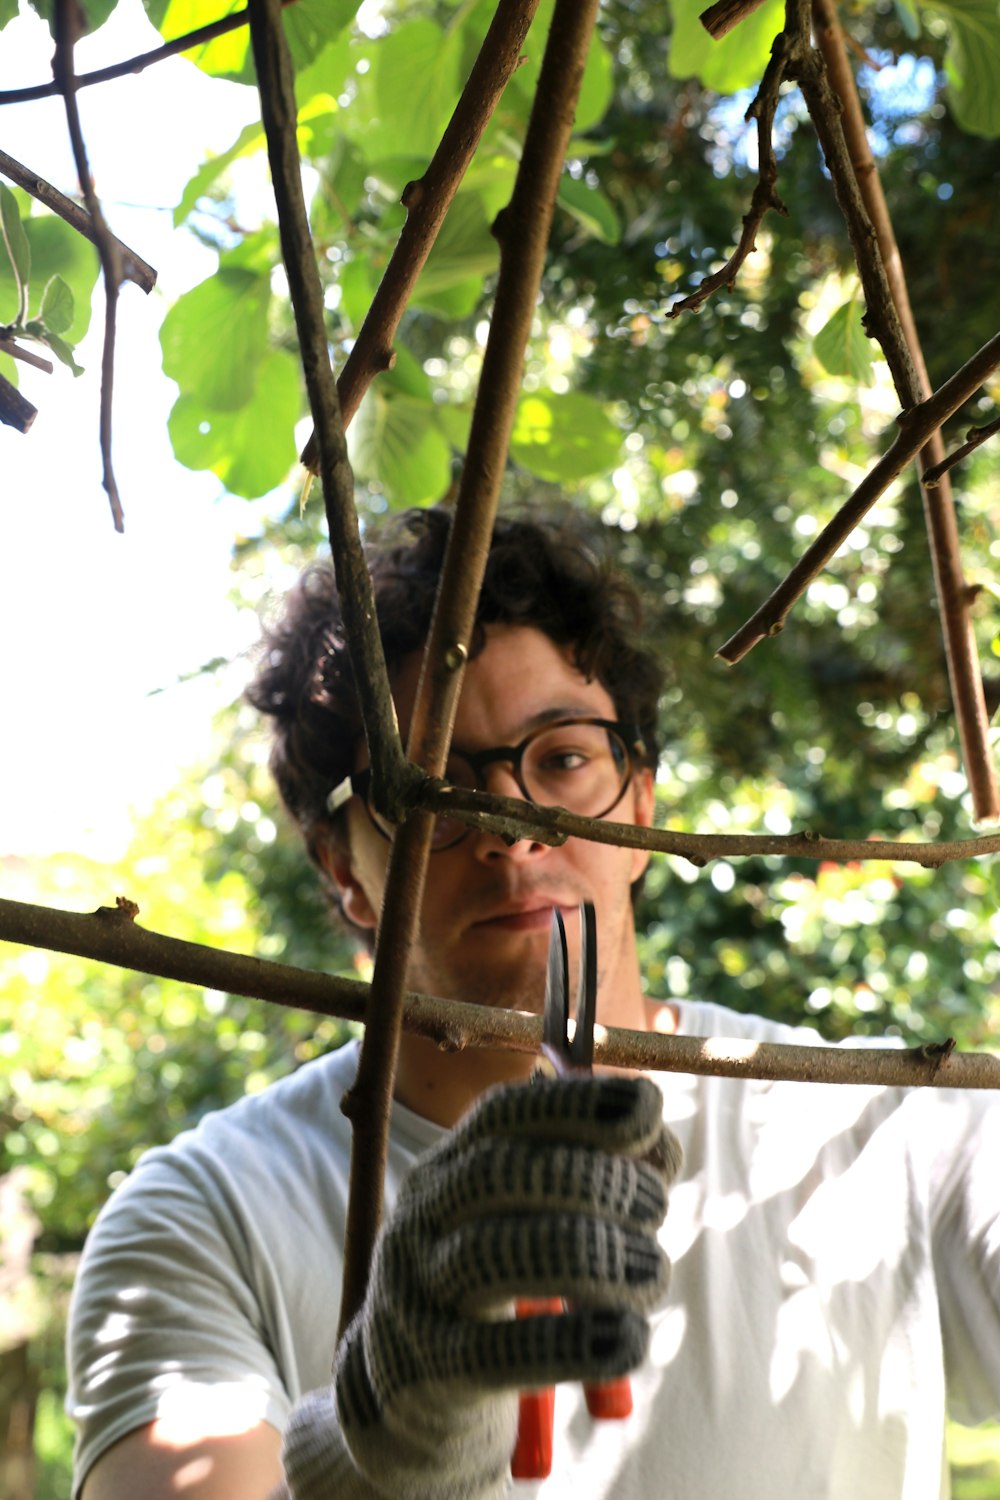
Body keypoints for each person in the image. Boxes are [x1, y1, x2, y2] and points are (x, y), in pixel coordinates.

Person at [66, 505, 1000, 1500]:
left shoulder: (886, 1129)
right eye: (426, 789)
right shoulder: (200, 1217)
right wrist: (377, 1442)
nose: (509, 831)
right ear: (344, 867)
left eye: (560, 759)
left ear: (639, 797)